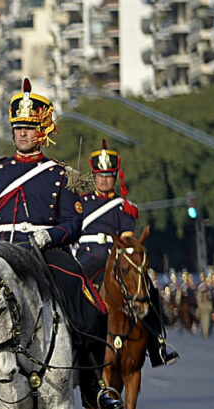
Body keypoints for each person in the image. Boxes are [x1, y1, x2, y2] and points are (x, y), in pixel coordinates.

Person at [0, 78, 123, 409]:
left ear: (43, 131)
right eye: (18, 128)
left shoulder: (61, 175)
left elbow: (74, 224)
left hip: (44, 251)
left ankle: (93, 382)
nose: (22, 134)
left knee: (89, 301)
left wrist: (50, 236)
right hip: (2, 251)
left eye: (29, 127)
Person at [72, 142, 178, 366]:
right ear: (94, 177)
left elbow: (128, 239)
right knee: (70, 292)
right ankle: (72, 342)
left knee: (148, 288)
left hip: (115, 261)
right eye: (99, 176)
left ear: (115, 177)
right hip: (88, 259)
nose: (103, 180)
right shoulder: (81, 203)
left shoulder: (124, 206)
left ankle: (157, 344)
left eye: (108, 176)